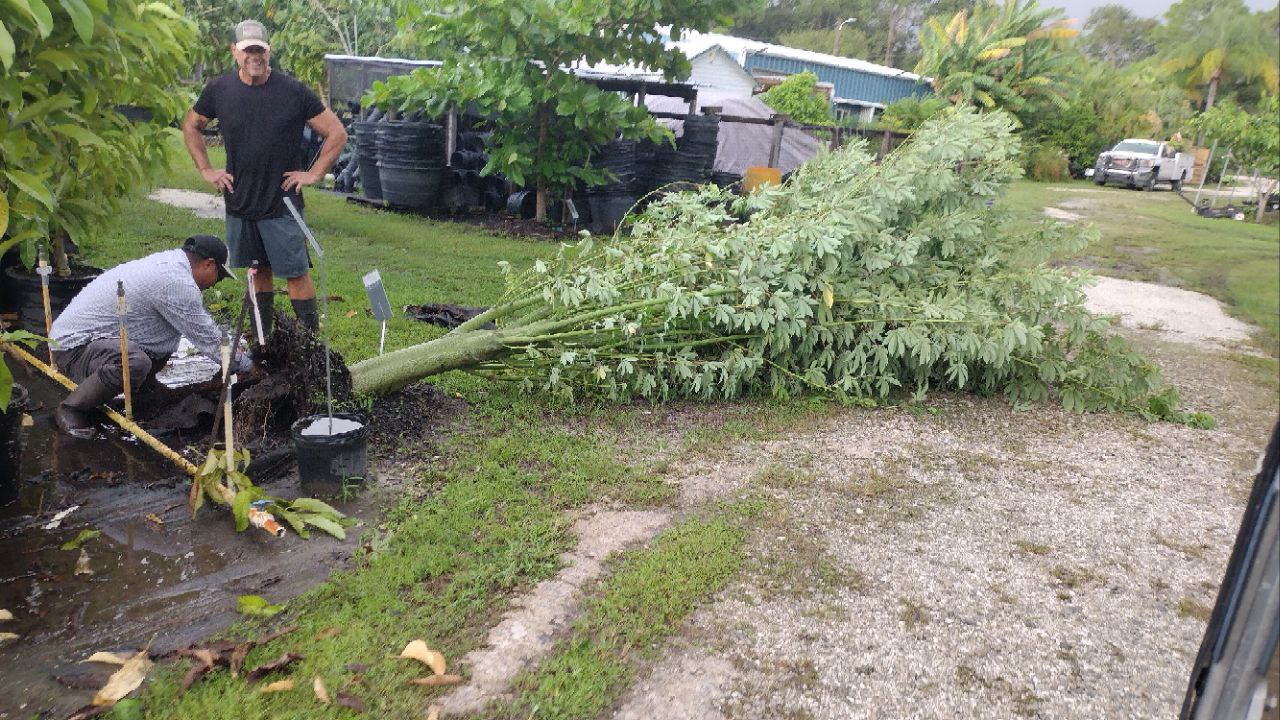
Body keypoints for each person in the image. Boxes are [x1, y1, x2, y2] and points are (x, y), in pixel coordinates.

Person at [181, 19, 347, 334]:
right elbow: (192, 124)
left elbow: (337, 132)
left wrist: (313, 174)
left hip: (281, 203)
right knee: (257, 270)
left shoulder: (292, 91)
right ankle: (263, 341)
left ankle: (308, 345)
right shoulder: (219, 90)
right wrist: (206, 168)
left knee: (296, 273)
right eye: (247, 50)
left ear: (268, 51)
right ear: (235, 51)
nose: (254, 56)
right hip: (240, 201)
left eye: (260, 49)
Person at [49, 236, 251, 438]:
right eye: (220, 276)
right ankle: (72, 408)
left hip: (93, 341)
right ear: (209, 264)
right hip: (73, 350)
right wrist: (247, 366)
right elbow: (208, 339)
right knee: (135, 362)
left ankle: (143, 389)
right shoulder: (176, 283)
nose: (216, 284)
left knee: (162, 341)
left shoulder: (171, 264)